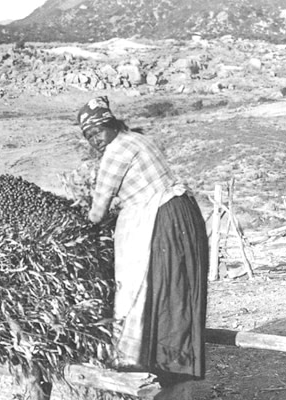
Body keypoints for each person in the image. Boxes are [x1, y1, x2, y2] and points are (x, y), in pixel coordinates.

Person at [77, 96, 209, 396]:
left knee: (155, 290)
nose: (96, 140)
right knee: (176, 294)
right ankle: (177, 369)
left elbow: (96, 213)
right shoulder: (137, 139)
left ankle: (156, 369)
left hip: (162, 220)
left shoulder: (116, 151)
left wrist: (81, 219)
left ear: (111, 125)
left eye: (99, 131)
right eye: (89, 136)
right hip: (182, 214)